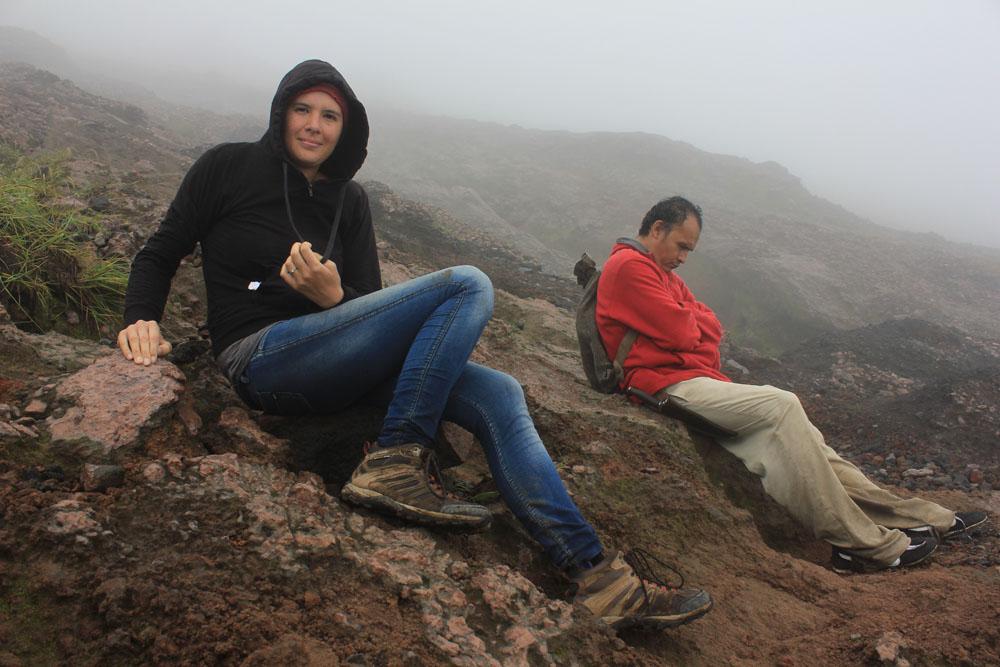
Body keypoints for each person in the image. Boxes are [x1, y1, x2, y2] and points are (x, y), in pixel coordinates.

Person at [117, 59, 713, 629]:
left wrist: (332, 296)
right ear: (280, 113)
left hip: (337, 354)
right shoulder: (227, 167)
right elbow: (161, 250)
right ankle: (396, 460)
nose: (314, 125)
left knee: (501, 392)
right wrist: (141, 317)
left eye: (330, 116)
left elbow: (371, 305)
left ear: (345, 129)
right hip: (262, 356)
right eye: (303, 109)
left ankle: (596, 576)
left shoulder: (349, 202)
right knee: (468, 284)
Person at [595, 196, 988, 573]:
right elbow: (682, 331)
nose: (683, 258)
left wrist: (690, 321)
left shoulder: (662, 274)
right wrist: (689, 322)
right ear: (657, 228)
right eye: (681, 246)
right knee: (780, 406)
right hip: (662, 389)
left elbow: (711, 328)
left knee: (814, 446)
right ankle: (863, 546)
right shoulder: (629, 267)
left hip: (690, 380)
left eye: (689, 252)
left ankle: (923, 519)